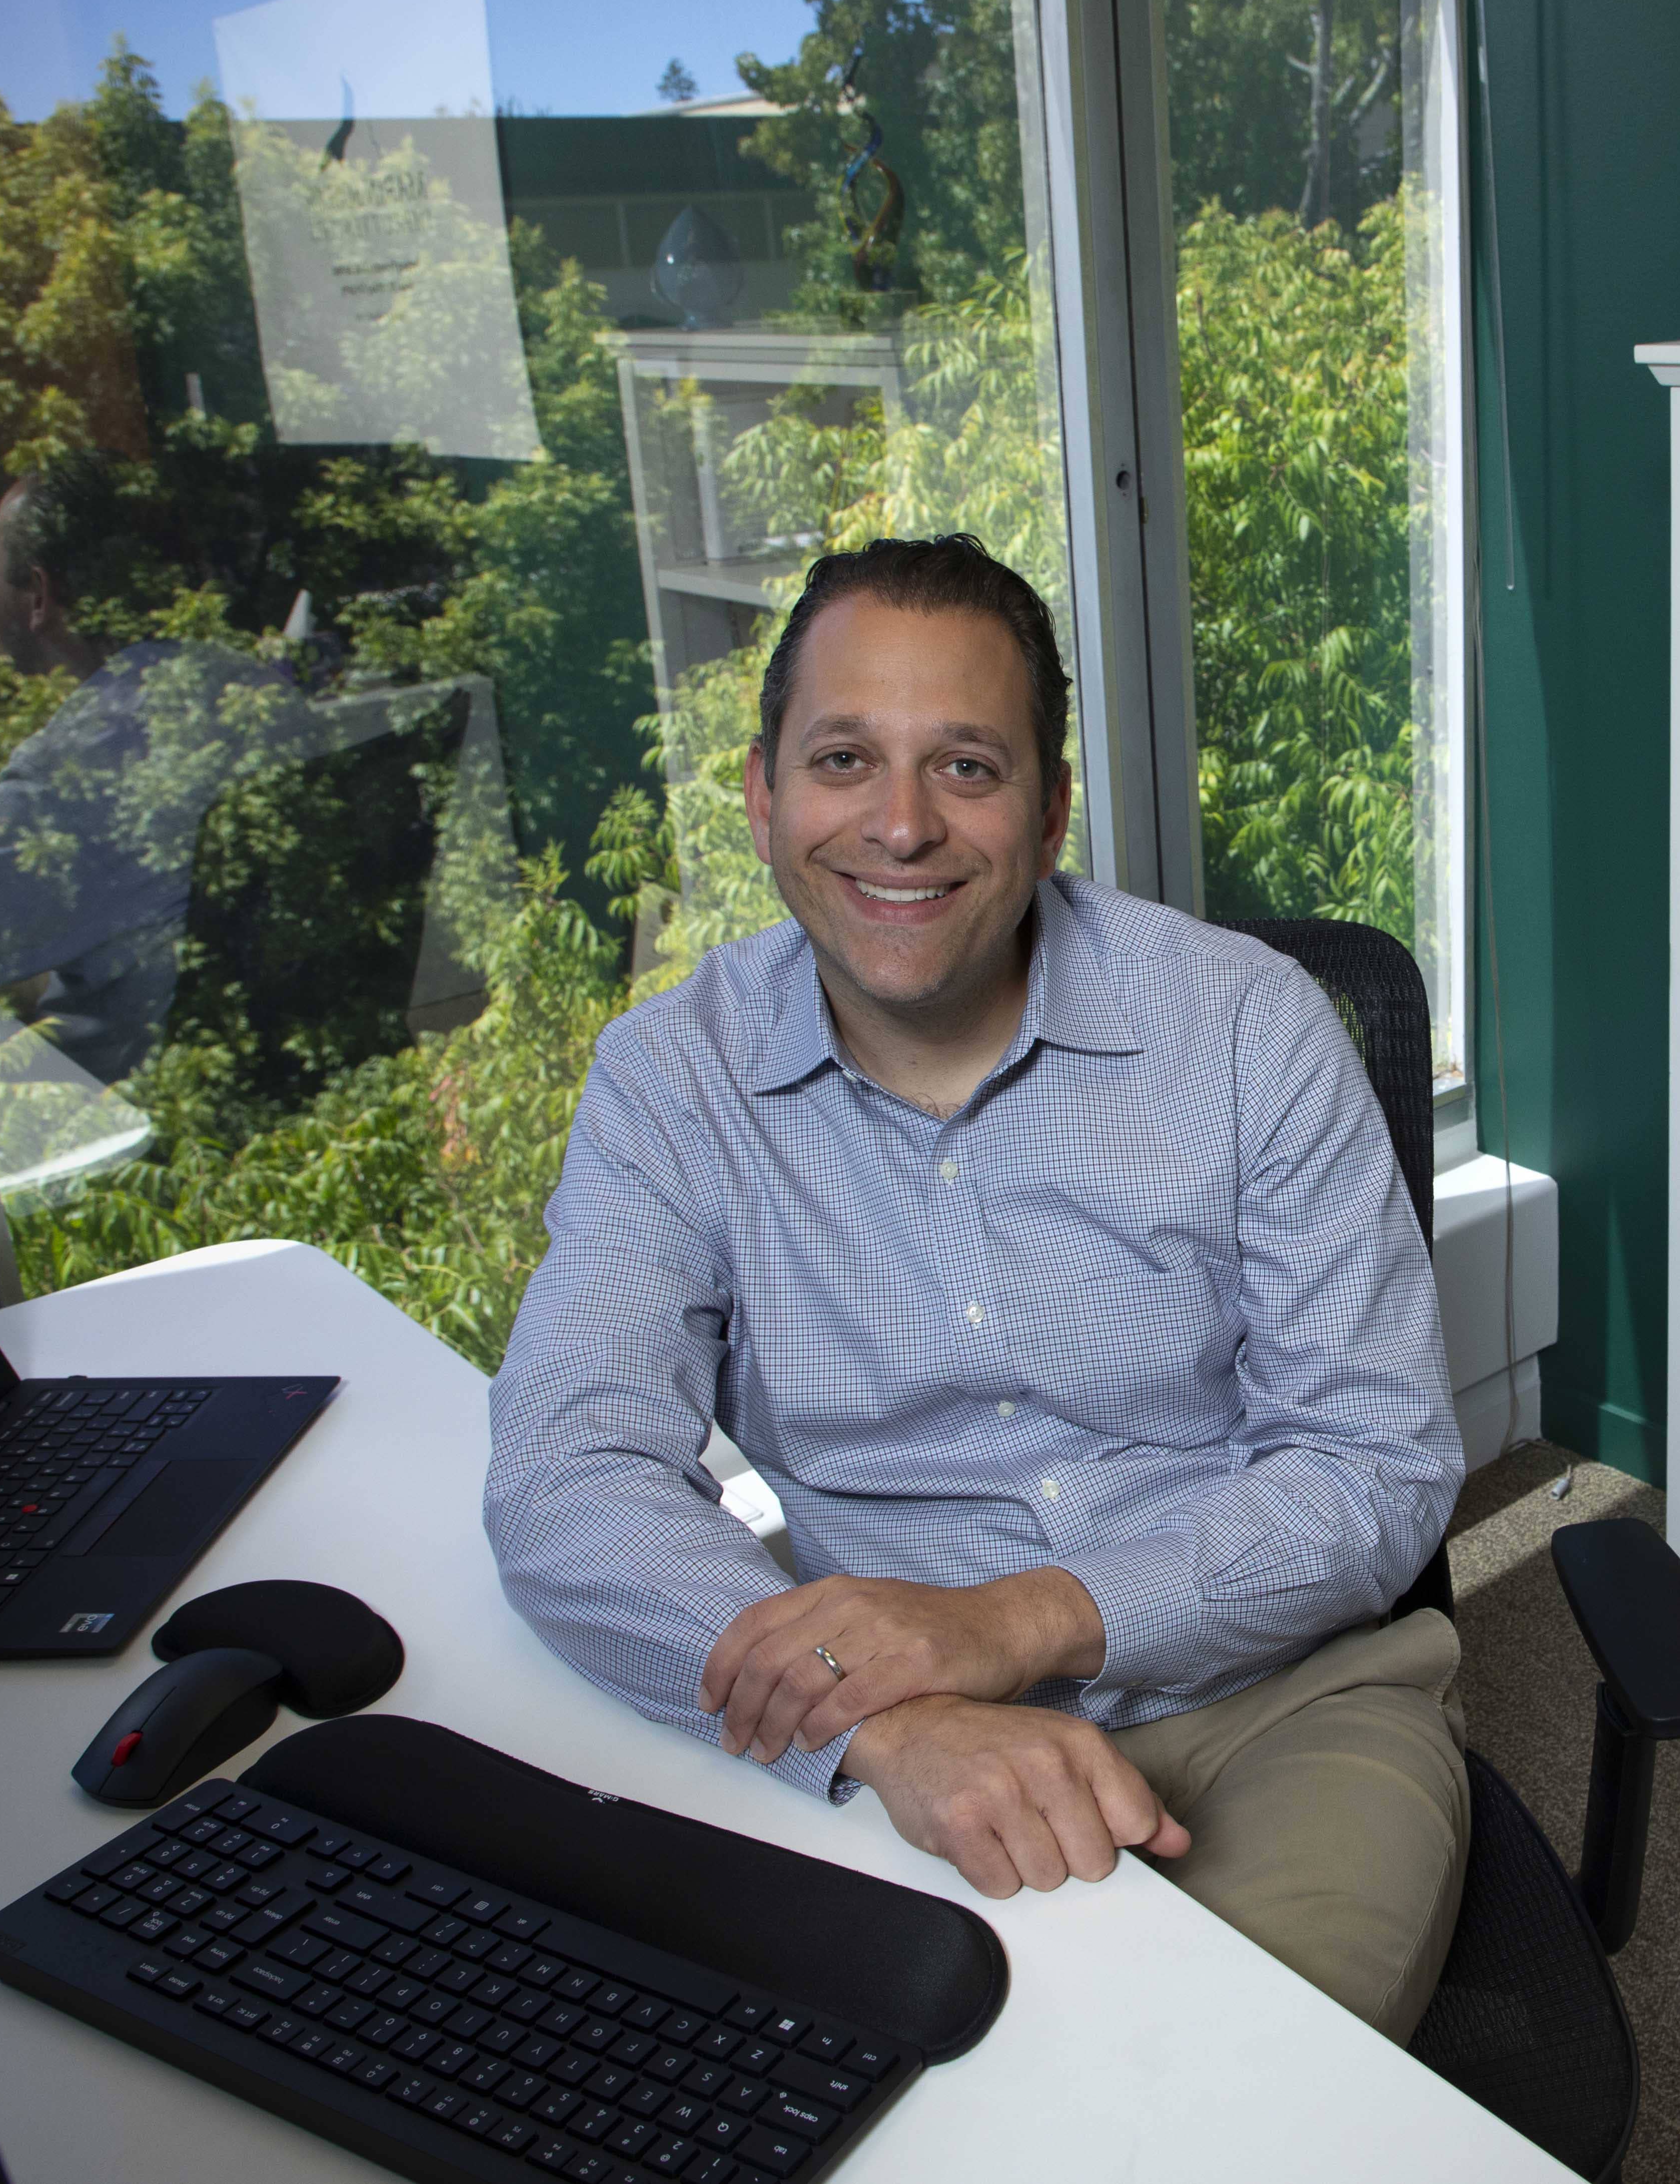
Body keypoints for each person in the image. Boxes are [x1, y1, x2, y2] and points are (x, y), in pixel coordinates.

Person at [484, 534, 1469, 2043]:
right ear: (762, 795)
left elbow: (1373, 1465)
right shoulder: (673, 1079)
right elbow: (567, 1474)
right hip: (898, 1735)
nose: (901, 825)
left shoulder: (1248, 1029)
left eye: (966, 767)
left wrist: (1015, 1621)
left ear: (1050, 809)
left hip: (1281, 1696)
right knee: (801, 2099)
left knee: (1255, 2092)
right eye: (842, 759)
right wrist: (895, 1721)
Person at [0, 454, 308, 1082]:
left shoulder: (78, 766)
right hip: (257, 1066)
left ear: (39, 594)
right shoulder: (230, 680)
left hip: (132, 1102)